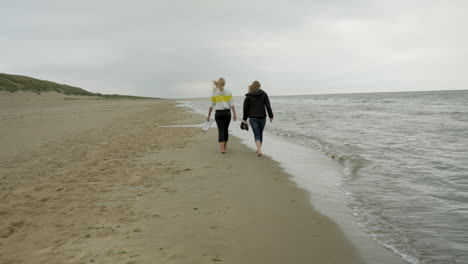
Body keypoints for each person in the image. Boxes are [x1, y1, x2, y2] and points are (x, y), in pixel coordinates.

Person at [242, 80, 273, 156]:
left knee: (256, 134)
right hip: (262, 117)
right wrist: (271, 115)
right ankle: (259, 149)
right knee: (260, 133)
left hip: (253, 118)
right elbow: (268, 105)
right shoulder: (264, 94)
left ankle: (259, 150)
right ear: (259, 86)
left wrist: (244, 119)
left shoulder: (248, 96)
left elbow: (245, 108)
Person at [206, 78, 237, 153]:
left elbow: (211, 105)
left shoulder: (214, 92)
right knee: (225, 130)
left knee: (221, 131)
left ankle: (222, 148)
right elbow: (231, 103)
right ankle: (225, 147)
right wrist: (234, 113)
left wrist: (208, 115)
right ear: (224, 84)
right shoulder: (228, 91)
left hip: (218, 113)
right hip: (227, 113)